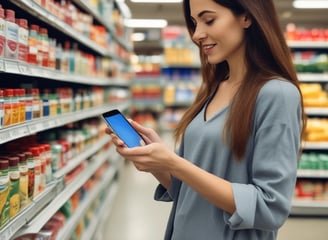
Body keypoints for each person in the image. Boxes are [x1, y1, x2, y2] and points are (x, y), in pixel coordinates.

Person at [106, 0, 306, 239]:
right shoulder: (213, 89)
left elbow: (270, 208)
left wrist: (174, 163)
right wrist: (159, 163)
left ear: (246, 17)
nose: (197, 34)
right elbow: (189, 189)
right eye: (194, 22)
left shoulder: (277, 95)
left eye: (208, 20)